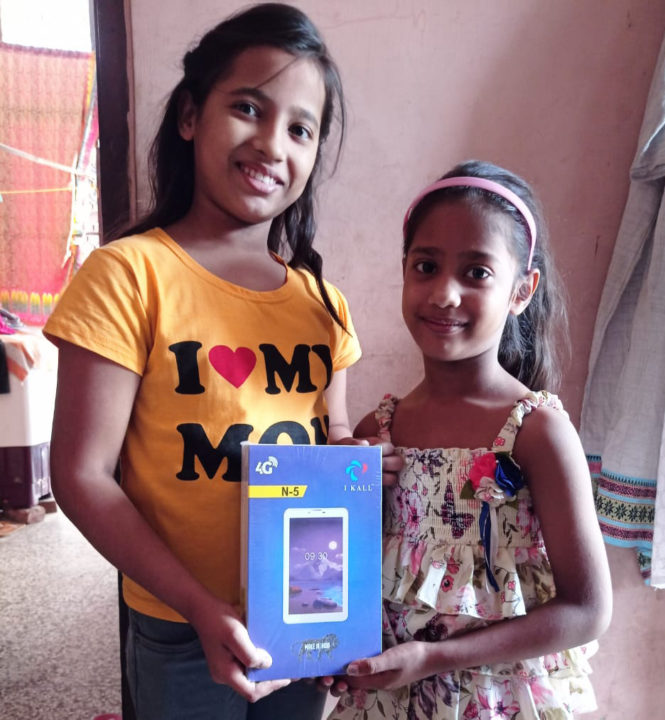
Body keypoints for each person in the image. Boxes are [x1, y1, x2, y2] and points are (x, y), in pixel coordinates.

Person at [44, 4, 388, 719]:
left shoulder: (324, 305)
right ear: (191, 116)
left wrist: (361, 459)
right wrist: (199, 607)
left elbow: (333, 445)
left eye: (301, 128)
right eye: (248, 108)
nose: (272, 143)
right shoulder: (129, 275)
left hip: (301, 618)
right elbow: (80, 476)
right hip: (177, 622)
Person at [326, 160, 613, 719]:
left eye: (477, 273)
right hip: (390, 701)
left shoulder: (536, 431)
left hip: (499, 701)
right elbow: (340, 579)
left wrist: (436, 657)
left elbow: (588, 609)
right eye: (426, 266)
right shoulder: (374, 435)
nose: (444, 294)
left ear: (522, 291)